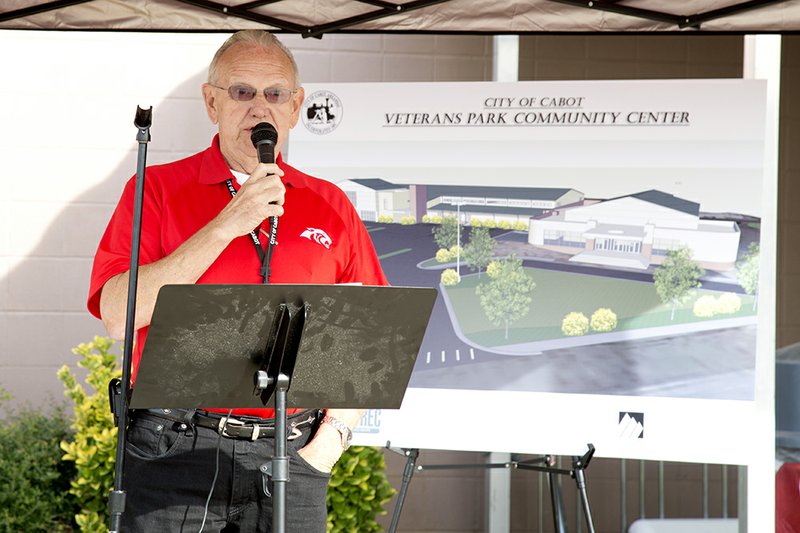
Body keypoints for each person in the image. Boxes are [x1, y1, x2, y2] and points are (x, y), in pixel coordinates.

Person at [88, 30, 388, 532]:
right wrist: (228, 222)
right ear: (212, 102)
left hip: (294, 453)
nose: (259, 107)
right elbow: (118, 315)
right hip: (175, 447)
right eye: (241, 92)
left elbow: (372, 339)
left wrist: (328, 443)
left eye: (274, 94)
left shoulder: (331, 204)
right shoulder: (155, 188)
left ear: (295, 108)